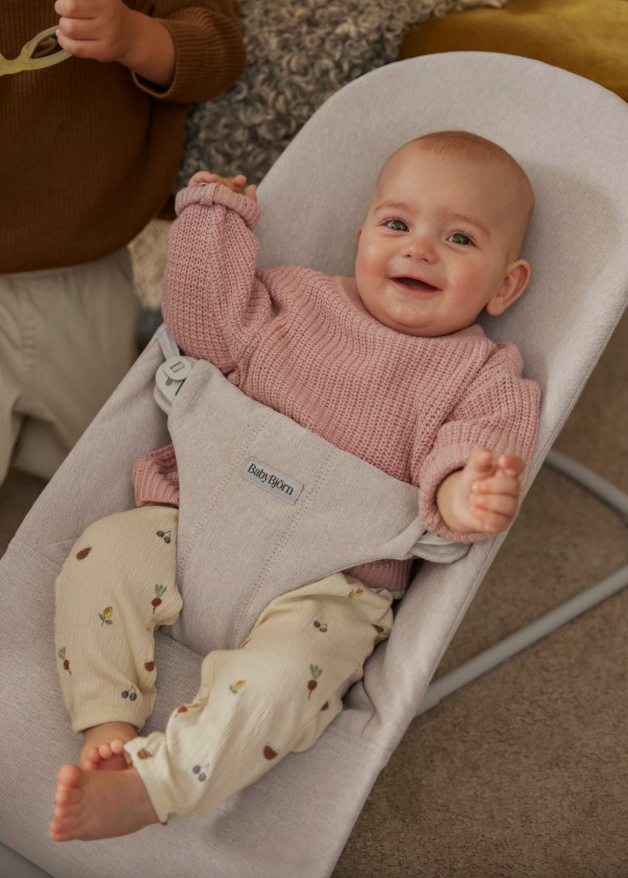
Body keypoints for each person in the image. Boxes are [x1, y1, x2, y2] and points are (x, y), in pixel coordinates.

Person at [50, 130, 541, 841]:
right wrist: (212, 223)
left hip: (327, 586)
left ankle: (154, 786)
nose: (419, 250)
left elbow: (479, 444)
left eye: (459, 238)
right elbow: (201, 326)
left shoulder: (483, 373)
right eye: (396, 224)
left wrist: (468, 491)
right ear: (361, 237)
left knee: (285, 686)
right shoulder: (294, 299)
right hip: (194, 523)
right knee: (101, 556)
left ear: (505, 285)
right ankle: (108, 721)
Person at [0, 0, 245, 485]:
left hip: (91, 258)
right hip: (85, 251)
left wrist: (135, 37)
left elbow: (216, 48)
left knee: (113, 478)